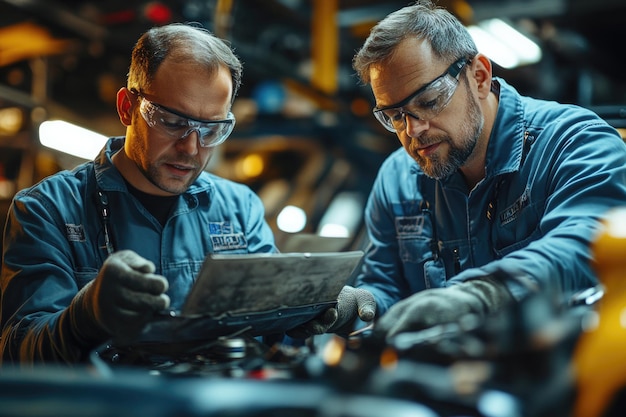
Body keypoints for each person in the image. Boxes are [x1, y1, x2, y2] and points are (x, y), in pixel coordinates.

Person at [0, 23, 281, 365]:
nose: (191, 148)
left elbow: (270, 319)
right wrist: (82, 318)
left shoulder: (240, 208)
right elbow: (18, 354)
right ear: (127, 108)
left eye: (210, 129)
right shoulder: (48, 210)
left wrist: (315, 308)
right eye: (172, 121)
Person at [346, 0, 626, 339]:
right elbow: (385, 282)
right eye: (394, 116)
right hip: (441, 381)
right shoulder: (397, 180)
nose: (413, 130)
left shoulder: (574, 143)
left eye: (429, 101)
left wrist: (486, 292)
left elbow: (585, 246)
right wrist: (362, 303)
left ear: (479, 76)